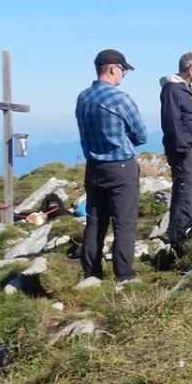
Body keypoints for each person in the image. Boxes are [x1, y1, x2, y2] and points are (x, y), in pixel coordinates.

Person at [74, 48, 148, 287]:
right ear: (113, 68)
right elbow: (141, 135)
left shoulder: (83, 97)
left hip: (94, 166)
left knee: (95, 220)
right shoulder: (120, 98)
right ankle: (124, 274)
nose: (123, 74)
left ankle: (91, 273)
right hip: (121, 165)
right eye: (123, 70)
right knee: (124, 222)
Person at [160, 51, 192, 252]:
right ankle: (179, 237)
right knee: (184, 193)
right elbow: (172, 121)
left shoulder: (185, 89)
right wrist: (183, 149)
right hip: (185, 152)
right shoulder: (173, 90)